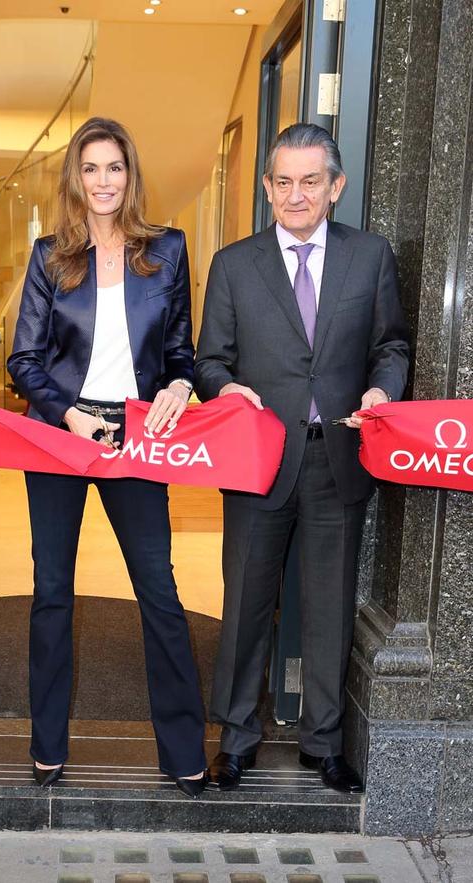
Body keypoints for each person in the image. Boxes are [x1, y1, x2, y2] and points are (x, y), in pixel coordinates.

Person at [195, 123, 409, 794]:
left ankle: (324, 743)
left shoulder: (369, 257)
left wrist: (383, 389)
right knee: (246, 607)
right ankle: (235, 740)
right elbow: (210, 359)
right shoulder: (234, 263)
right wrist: (224, 387)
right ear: (266, 187)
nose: (295, 194)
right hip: (258, 461)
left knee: (329, 609)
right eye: (282, 181)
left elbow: (393, 344)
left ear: (335, 187)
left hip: (337, 460)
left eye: (310, 181)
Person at [7, 117, 208, 797]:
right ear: (76, 178)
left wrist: (183, 380)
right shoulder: (48, 256)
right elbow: (23, 359)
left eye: (114, 168)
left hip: (139, 434)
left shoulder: (169, 251)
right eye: (90, 168)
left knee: (159, 590)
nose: (103, 181)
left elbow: (180, 348)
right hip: (61, 434)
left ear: (131, 175)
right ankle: (47, 746)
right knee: (52, 593)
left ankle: (183, 748)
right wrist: (68, 413)